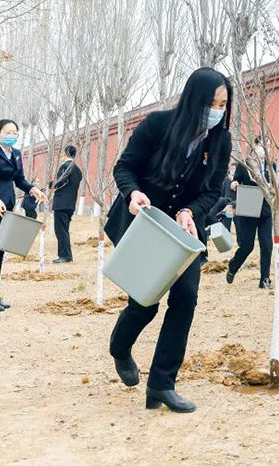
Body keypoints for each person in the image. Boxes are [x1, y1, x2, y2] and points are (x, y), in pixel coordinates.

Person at [105, 67, 232, 413]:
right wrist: (133, 193)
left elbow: (213, 191)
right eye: (211, 103)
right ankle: (120, 346)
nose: (216, 111)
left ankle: (162, 384)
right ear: (194, 99)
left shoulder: (220, 141)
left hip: (184, 231)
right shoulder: (157, 125)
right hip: (147, 224)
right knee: (145, 303)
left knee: (186, 298)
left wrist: (191, 211)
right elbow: (124, 167)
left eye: (223, 105)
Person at [0, 120, 48, 312]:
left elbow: (19, 179)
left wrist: (32, 189)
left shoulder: (15, 153)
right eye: (8, 132)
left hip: (7, 206)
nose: (12, 136)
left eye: (15, 133)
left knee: (0, 250)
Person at [225, 141, 274, 289]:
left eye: (268, 146)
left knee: (267, 245)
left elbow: (278, 182)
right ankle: (233, 266)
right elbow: (235, 180)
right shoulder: (244, 165)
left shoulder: (270, 166)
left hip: (265, 210)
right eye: (263, 145)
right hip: (249, 208)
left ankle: (265, 279)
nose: (265, 149)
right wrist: (234, 184)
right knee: (247, 245)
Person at [51, 145, 83, 263]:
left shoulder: (65, 166)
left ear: (66, 153)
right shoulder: (77, 169)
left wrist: (51, 185)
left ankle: (64, 256)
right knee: (64, 230)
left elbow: (60, 182)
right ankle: (66, 255)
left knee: (60, 230)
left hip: (61, 203)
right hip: (70, 204)